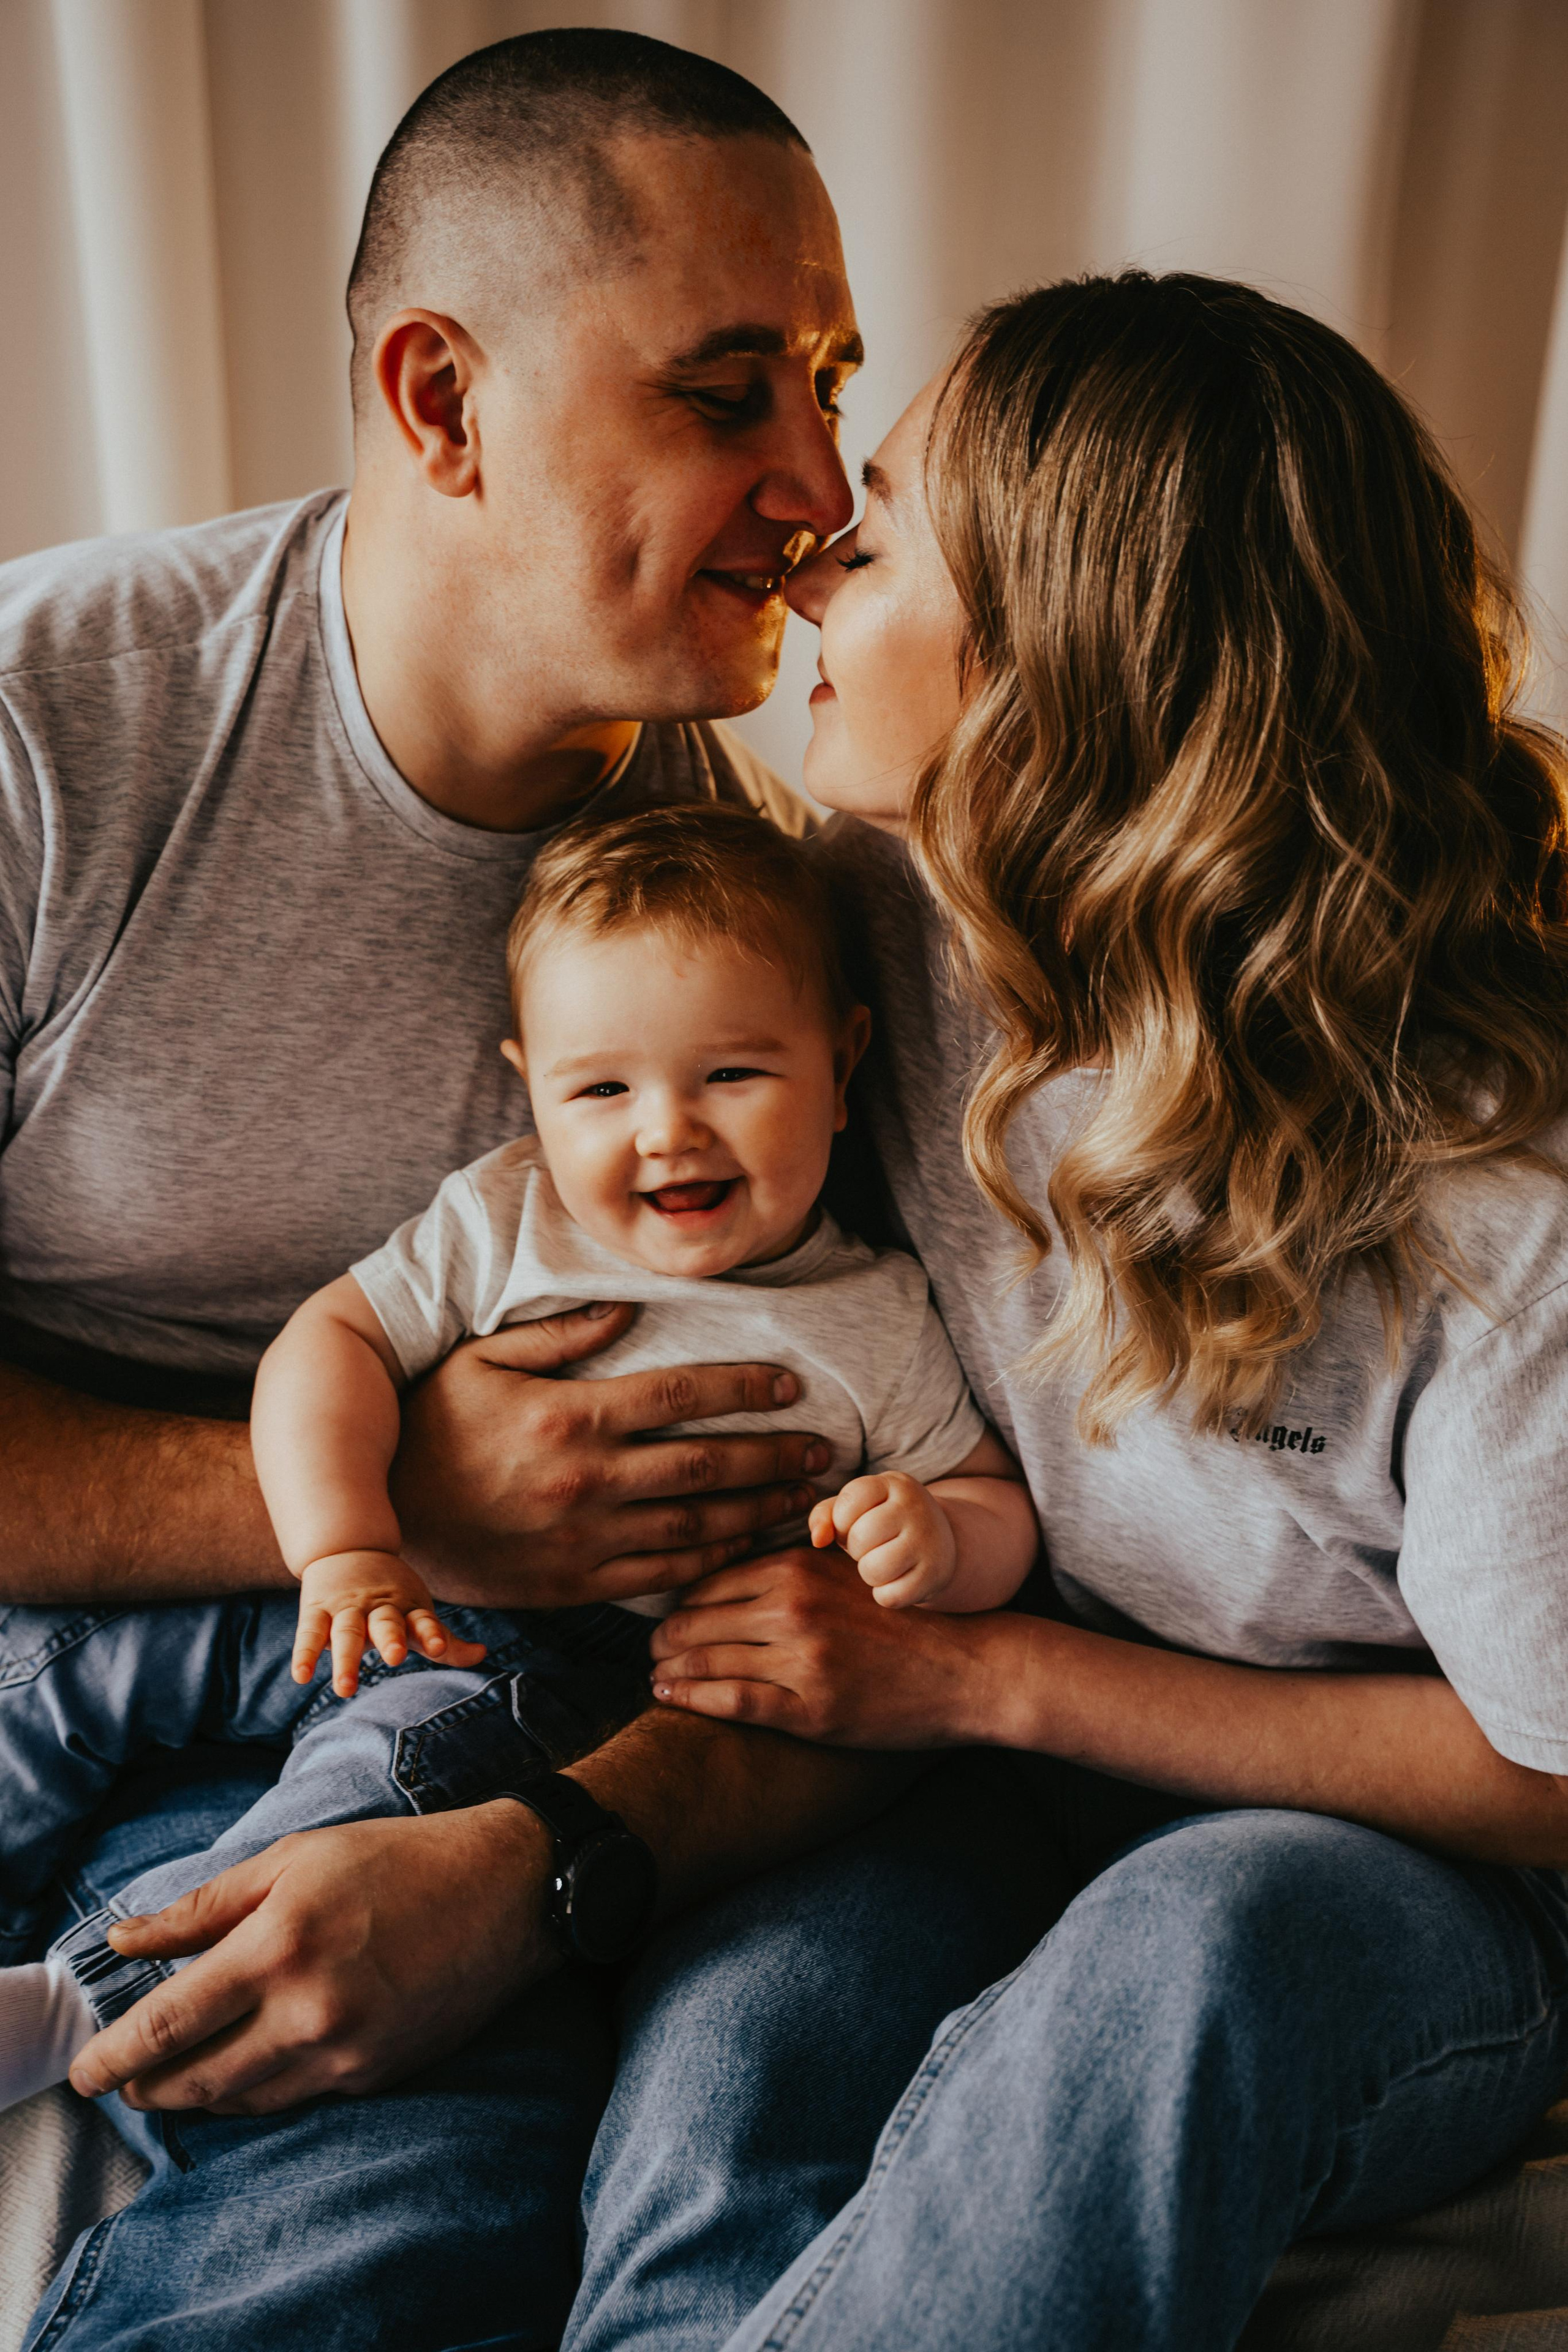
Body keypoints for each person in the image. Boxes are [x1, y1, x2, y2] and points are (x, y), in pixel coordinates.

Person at [5, 31, 1059, 2352]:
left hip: (489, 1711)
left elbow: (882, 1561)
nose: (821, 487)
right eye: (726, 393)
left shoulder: (824, 891)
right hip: (129, 1608)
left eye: (831, 388)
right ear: (441, 400)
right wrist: (395, 1512)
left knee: (373, 2227)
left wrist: (542, 1860)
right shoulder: (50, 733)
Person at [641, 271, 1568, 2349]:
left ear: (1062, 667)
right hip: (1020, 1759)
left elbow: (1555, 1767)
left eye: (871, 540)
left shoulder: (1496, 1199)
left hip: (1429, 1871)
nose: (804, 583)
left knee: (1197, 1949)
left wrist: (989, 1690)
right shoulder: (889, 923)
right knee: (741, 2040)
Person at [0, 805, 1035, 2114]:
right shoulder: (505, 1213)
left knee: (377, 1790)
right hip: (364, 1576)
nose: (666, 1131)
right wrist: (344, 1542)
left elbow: (990, 1503)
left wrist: (936, 1539)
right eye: (599, 1089)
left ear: (842, 1064)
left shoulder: (874, 1317)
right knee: (67, 1656)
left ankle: (86, 1998)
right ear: (529, 1081)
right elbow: (332, 1346)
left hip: (568, 1666)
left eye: (732, 1075)